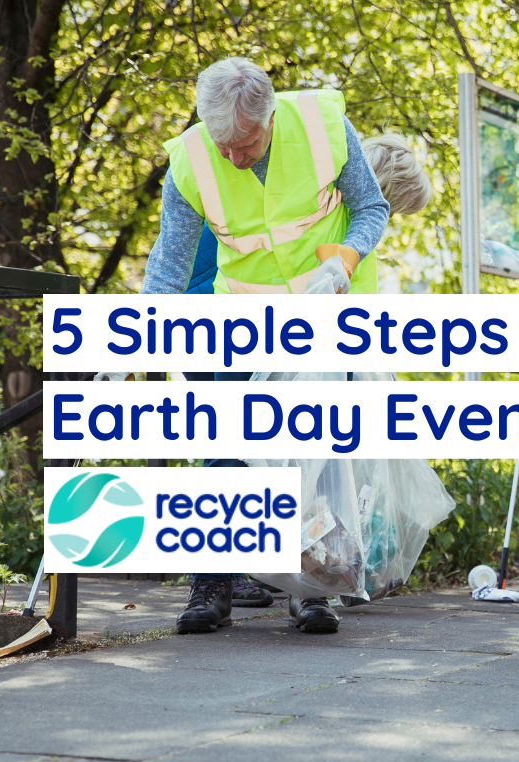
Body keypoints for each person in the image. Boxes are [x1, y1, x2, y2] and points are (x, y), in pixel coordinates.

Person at [142, 57, 393, 635]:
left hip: (324, 312)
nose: (232, 156)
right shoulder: (190, 159)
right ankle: (211, 587)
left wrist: (347, 261)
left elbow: (372, 207)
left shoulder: (325, 125)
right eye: (221, 143)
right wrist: (134, 330)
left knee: (320, 450)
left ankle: (313, 591)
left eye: (245, 143)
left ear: (270, 117)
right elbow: (172, 258)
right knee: (227, 443)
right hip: (243, 317)